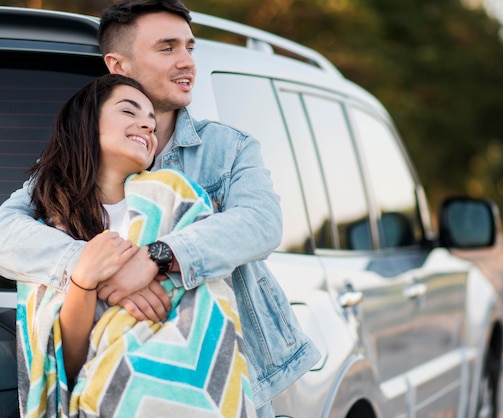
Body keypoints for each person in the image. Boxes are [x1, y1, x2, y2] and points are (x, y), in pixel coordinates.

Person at [0, 0, 320, 416]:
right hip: (105, 386)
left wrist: (158, 258)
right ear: (119, 65)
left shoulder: (228, 148)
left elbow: (259, 224)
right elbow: (7, 229)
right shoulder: (64, 171)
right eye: (167, 48)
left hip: (225, 382)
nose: (186, 61)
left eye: (189, 47)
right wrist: (103, 267)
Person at [18, 73, 256, 417]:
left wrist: (147, 267)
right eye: (130, 112)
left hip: (198, 398)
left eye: (151, 121)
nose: (147, 126)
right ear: (86, 123)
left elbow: (212, 294)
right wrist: (85, 280)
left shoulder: (178, 198)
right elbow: (65, 364)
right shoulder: (49, 233)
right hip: (109, 401)